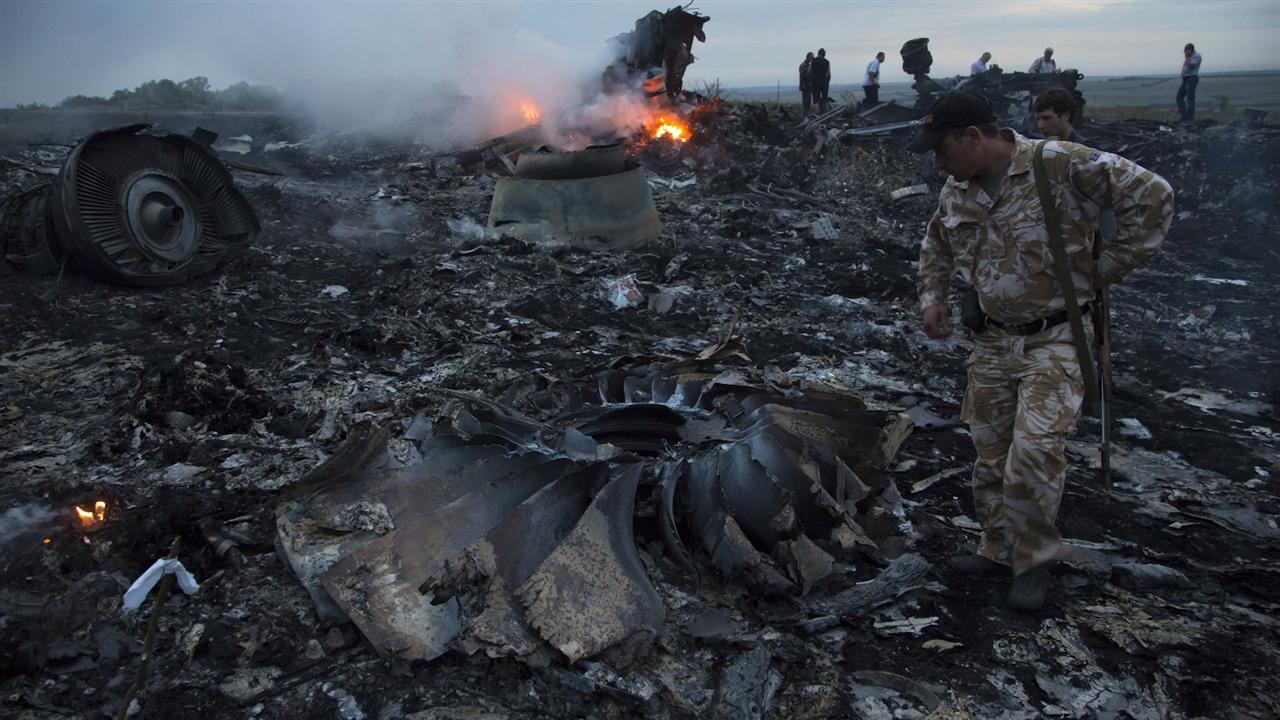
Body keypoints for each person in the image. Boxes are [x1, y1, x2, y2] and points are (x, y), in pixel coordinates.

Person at [909, 91, 1173, 611]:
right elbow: (936, 242)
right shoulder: (956, 188)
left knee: (1032, 454)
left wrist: (1105, 270)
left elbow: (1155, 196)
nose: (938, 162)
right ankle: (996, 548)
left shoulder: (1058, 164)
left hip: (1056, 337)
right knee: (990, 451)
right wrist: (932, 298)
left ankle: (1033, 562)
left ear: (972, 137)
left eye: (942, 149)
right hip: (991, 340)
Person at [1178, 43, 1202, 122]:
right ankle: (1184, 116)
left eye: (1186, 50)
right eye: (1185, 51)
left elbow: (1191, 66)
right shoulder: (1189, 56)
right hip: (1185, 79)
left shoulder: (1196, 56)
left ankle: (1189, 118)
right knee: (1179, 97)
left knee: (1190, 99)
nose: (1185, 52)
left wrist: (1187, 57)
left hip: (1191, 79)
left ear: (1191, 49)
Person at [811, 48, 832, 112]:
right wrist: (827, 81)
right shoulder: (827, 61)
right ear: (824, 54)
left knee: (816, 99)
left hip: (815, 82)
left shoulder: (813, 61)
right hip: (824, 82)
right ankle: (826, 113)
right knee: (825, 98)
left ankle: (817, 114)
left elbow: (810, 71)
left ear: (818, 53)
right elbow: (829, 73)